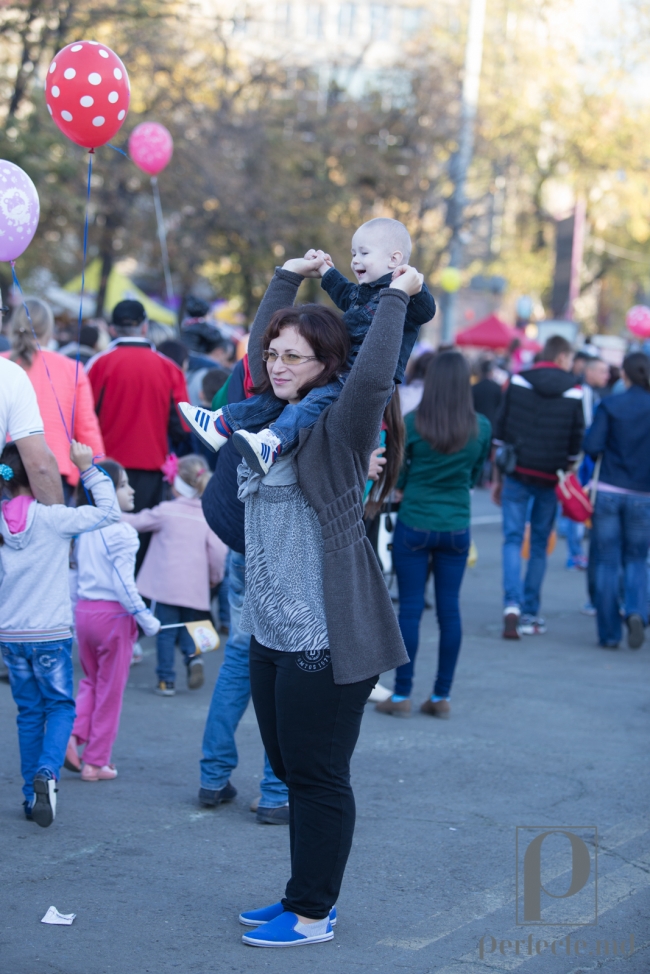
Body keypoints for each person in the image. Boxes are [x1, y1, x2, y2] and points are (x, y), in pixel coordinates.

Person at [234, 254, 415, 948]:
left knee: (316, 774)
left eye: (295, 357)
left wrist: (396, 297)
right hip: (272, 631)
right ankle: (299, 896)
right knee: (289, 768)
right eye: (275, 354)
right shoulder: (267, 421)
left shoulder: (339, 430)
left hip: (326, 636)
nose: (278, 365)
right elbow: (258, 352)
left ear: (325, 364)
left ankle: (314, 914)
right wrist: (283, 277)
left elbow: (371, 374)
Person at [179, 218, 436, 476]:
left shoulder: (405, 299)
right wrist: (324, 271)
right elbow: (343, 293)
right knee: (277, 396)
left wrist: (407, 288)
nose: (355, 260)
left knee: (311, 402)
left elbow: (426, 311)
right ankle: (223, 423)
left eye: (364, 253)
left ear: (394, 259)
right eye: (353, 254)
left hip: (355, 375)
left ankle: (274, 441)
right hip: (339, 364)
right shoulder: (363, 293)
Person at [0, 440, 120, 826]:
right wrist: (87, 468)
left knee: (29, 713)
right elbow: (108, 511)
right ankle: (48, 772)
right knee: (60, 706)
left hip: (10, 635)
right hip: (49, 632)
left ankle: (28, 797)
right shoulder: (53, 518)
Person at [200, 357, 290, 825]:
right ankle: (275, 791)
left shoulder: (251, 363)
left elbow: (219, 412)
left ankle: (213, 776)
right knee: (285, 663)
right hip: (280, 540)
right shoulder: (323, 384)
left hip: (239, 524)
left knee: (240, 654)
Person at [376, 352, 491, 719]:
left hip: (415, 523)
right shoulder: (481, 427)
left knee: (409, 608)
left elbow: (401, 476)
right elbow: (474, 474)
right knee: (449, 612)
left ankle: (402, 696)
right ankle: (441, 695)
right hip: (456, 527)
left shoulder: (413, 423)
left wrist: (407, 486)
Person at [66, 461, 161, 780]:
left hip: (85, 615)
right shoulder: (122, 532)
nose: (132, 490)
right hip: (114, 618)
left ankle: (72, 736)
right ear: (104, 493)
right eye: (123, 485)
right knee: (110, 691)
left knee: (92, 681)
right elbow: (124, 583)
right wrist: (146, 619)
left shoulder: (82, 530)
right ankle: (96, 760)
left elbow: (72, 579)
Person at [492, 335, 585, 639]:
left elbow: (501, 429)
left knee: (512, 539)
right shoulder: (574, 390)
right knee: (541, 544)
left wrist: (497, 475)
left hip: (517, 470)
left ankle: (511, 606)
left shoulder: (518, 381)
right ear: (561, 358)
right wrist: (568, 465)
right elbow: (576, 440)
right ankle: (531, 611)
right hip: (550, 475)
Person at [86, 299, 190, 569]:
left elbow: (84, 419)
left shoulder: (99, 364)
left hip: (104, 469)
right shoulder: (169, 369)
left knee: (101, 544)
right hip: (150, 471)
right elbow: (182, 427)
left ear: (111, 329)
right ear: (145, 327)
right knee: (138, 547)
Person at [121, 455, 227, 695]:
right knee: (189, 627)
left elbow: (136, 521)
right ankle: (193, 659)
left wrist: (106, 513)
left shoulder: (166, 511)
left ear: (175, 483)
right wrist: (215, 577)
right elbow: (219, 553)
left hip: (165, 587)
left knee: (166, 631)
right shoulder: (208, 515)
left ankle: (166, 680)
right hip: (195, 587)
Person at [5, 299, 105, 500]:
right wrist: (100, 470)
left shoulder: (4, 364)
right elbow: (87, 428)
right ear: (49, 330)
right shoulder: (71, 369)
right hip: (56, 467)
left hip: (6, 467)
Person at [584, 352, 650, 650]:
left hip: (609, 490)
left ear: (623, 375)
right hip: (643, 494)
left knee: (607, 561)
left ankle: (609, 632)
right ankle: (636, 611)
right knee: (637, 559)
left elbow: (592, 445)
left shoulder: (610, 404)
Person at [471, 358, 503, 429]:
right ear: (491, 371)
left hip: (476, 424)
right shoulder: (497, 388)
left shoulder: (474, 387)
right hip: (492, 423)